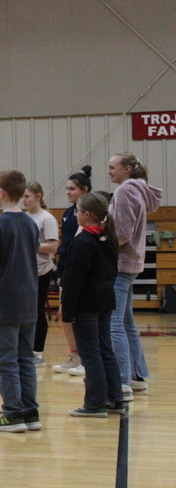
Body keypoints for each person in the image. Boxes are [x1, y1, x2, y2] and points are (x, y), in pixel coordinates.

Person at [0, 169, 40, 433]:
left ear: (2, 192)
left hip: (5, 299)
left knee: (5, 359)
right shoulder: (30, 223)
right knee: (25, 357)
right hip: (29, 298)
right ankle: (30, 411)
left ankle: (13, 413)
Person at [60, 191, 124, 417]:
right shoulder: (107, 238)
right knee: (104, 350)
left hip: (86, 306)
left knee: (90, 354)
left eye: (77, 211)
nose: (75, 214)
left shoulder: (83, 242)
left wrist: (67, 311)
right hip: (105, 302)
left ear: (86, 214)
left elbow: (73, 281)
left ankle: (95, 404)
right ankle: (115, 398)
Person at [107, 152, 162, 398]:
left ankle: (121, 381)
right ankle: (136, 376)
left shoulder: (125, 191)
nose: (109, 171)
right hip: (131, 264)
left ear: (127, 169)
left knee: (114, 323)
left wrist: (100, 244)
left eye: (112, 167)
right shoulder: (137, 189)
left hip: (121, 263)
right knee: (127, 321)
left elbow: (122, 233)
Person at [52, 166, 93, 377]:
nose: (68, 192)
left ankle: (85, 358)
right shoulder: (69, 213)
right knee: (64, 315)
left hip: (82, 273)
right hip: (66, 270)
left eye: (72, 189)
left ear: (84, 190)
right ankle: (75, 355)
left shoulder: (92, 213)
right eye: (67, 188)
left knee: (77, 316)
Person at [22, 181, 59, 366]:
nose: (24, 200)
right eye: (22, 196)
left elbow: (53, 246)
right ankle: (26, 349)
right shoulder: (24, 217)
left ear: (38, 196)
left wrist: (31, 246)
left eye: (27, 196)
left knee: (37, 311)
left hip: (41, 271)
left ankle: (38, 352)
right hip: (25, 270)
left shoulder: (47, 219)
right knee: (24, 312)